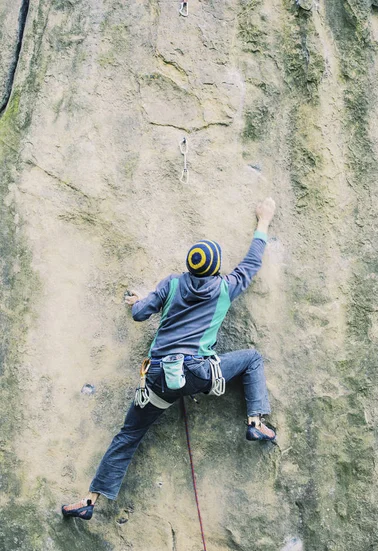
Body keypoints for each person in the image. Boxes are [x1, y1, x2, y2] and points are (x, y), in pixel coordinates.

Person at [62, 198, 277, 520]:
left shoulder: (171, 284)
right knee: (253, 358)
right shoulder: (225, 288)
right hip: (198, 373)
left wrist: (145, 299)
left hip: (158, 380)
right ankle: (255, 422)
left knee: (129, 434)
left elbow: (139, 314)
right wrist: (263, 222)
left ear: (190, 266)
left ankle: (90, 500)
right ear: (216, 268)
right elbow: (251, 264)